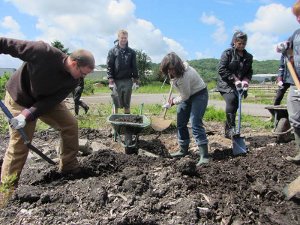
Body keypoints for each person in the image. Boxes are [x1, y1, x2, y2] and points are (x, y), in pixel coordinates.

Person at [0, 37, 95, 185]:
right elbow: (6, 44)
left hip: (44, 101)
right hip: (19, 99)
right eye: (83, 73)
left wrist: (28, 114)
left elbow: (50, 102)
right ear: (74, 64)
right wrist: (23, 114)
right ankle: (7, 187)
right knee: (20, 144)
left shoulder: (73, 80)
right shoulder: (42, 52)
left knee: (70, 125)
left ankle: (68, 166)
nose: (83, 77)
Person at [160, 52, 209, 166]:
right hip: (187, 94)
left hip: (199, 94)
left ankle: (204, 156)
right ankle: (183, 150)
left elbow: (185, 96)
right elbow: (184, 93)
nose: (170, 72)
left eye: (172, 69)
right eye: (168, 70)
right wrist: (173, 99)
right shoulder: (172, 73)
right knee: (181, 122)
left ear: (177, 66)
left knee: (195, 123)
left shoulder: (185, 75)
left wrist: (172, 102)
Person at [217, 30, 253, 139]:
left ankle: (229, 129)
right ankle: (231, 128)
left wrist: (246, 80)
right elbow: (221, 69)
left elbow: (249, 71)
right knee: (232, 99)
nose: (242, 46)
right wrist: (234, 79)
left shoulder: (249, 56)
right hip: (226, 83)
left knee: (237, 104)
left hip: (240, 84)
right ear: (234, 42)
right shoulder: (227, 53)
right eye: (239, 43)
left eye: (244, 43)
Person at [276, 0, 300, 163]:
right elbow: (287, 49)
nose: (298, 18)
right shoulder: (297, 33)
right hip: (295, 82)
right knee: (295, 117)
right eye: (296, 15)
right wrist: (282, 46)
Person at [106, 29, 139, 114]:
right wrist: (110, 79)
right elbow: (109, 66)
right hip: (116, 80)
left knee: (127, 102)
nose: (124, 39)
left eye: (125, 38)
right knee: (115, 101)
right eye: (122, 38)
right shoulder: (112, 51)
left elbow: (134, 66)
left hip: (128, 80)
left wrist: (136, 80)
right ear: (118, 38)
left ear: (127, 38)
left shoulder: (132, 52)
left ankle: (127, 121)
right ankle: (114, 120)